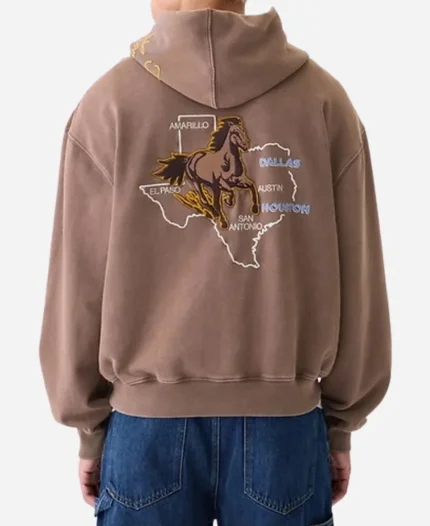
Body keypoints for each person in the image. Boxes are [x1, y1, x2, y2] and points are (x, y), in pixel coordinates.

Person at [39, 0, 391, 524]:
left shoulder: (108, 103)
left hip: (146, 433)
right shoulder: (324, 100)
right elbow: (360, 278)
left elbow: (77, 283)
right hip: (284, 431)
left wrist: (88, 427)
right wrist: (341, 423)